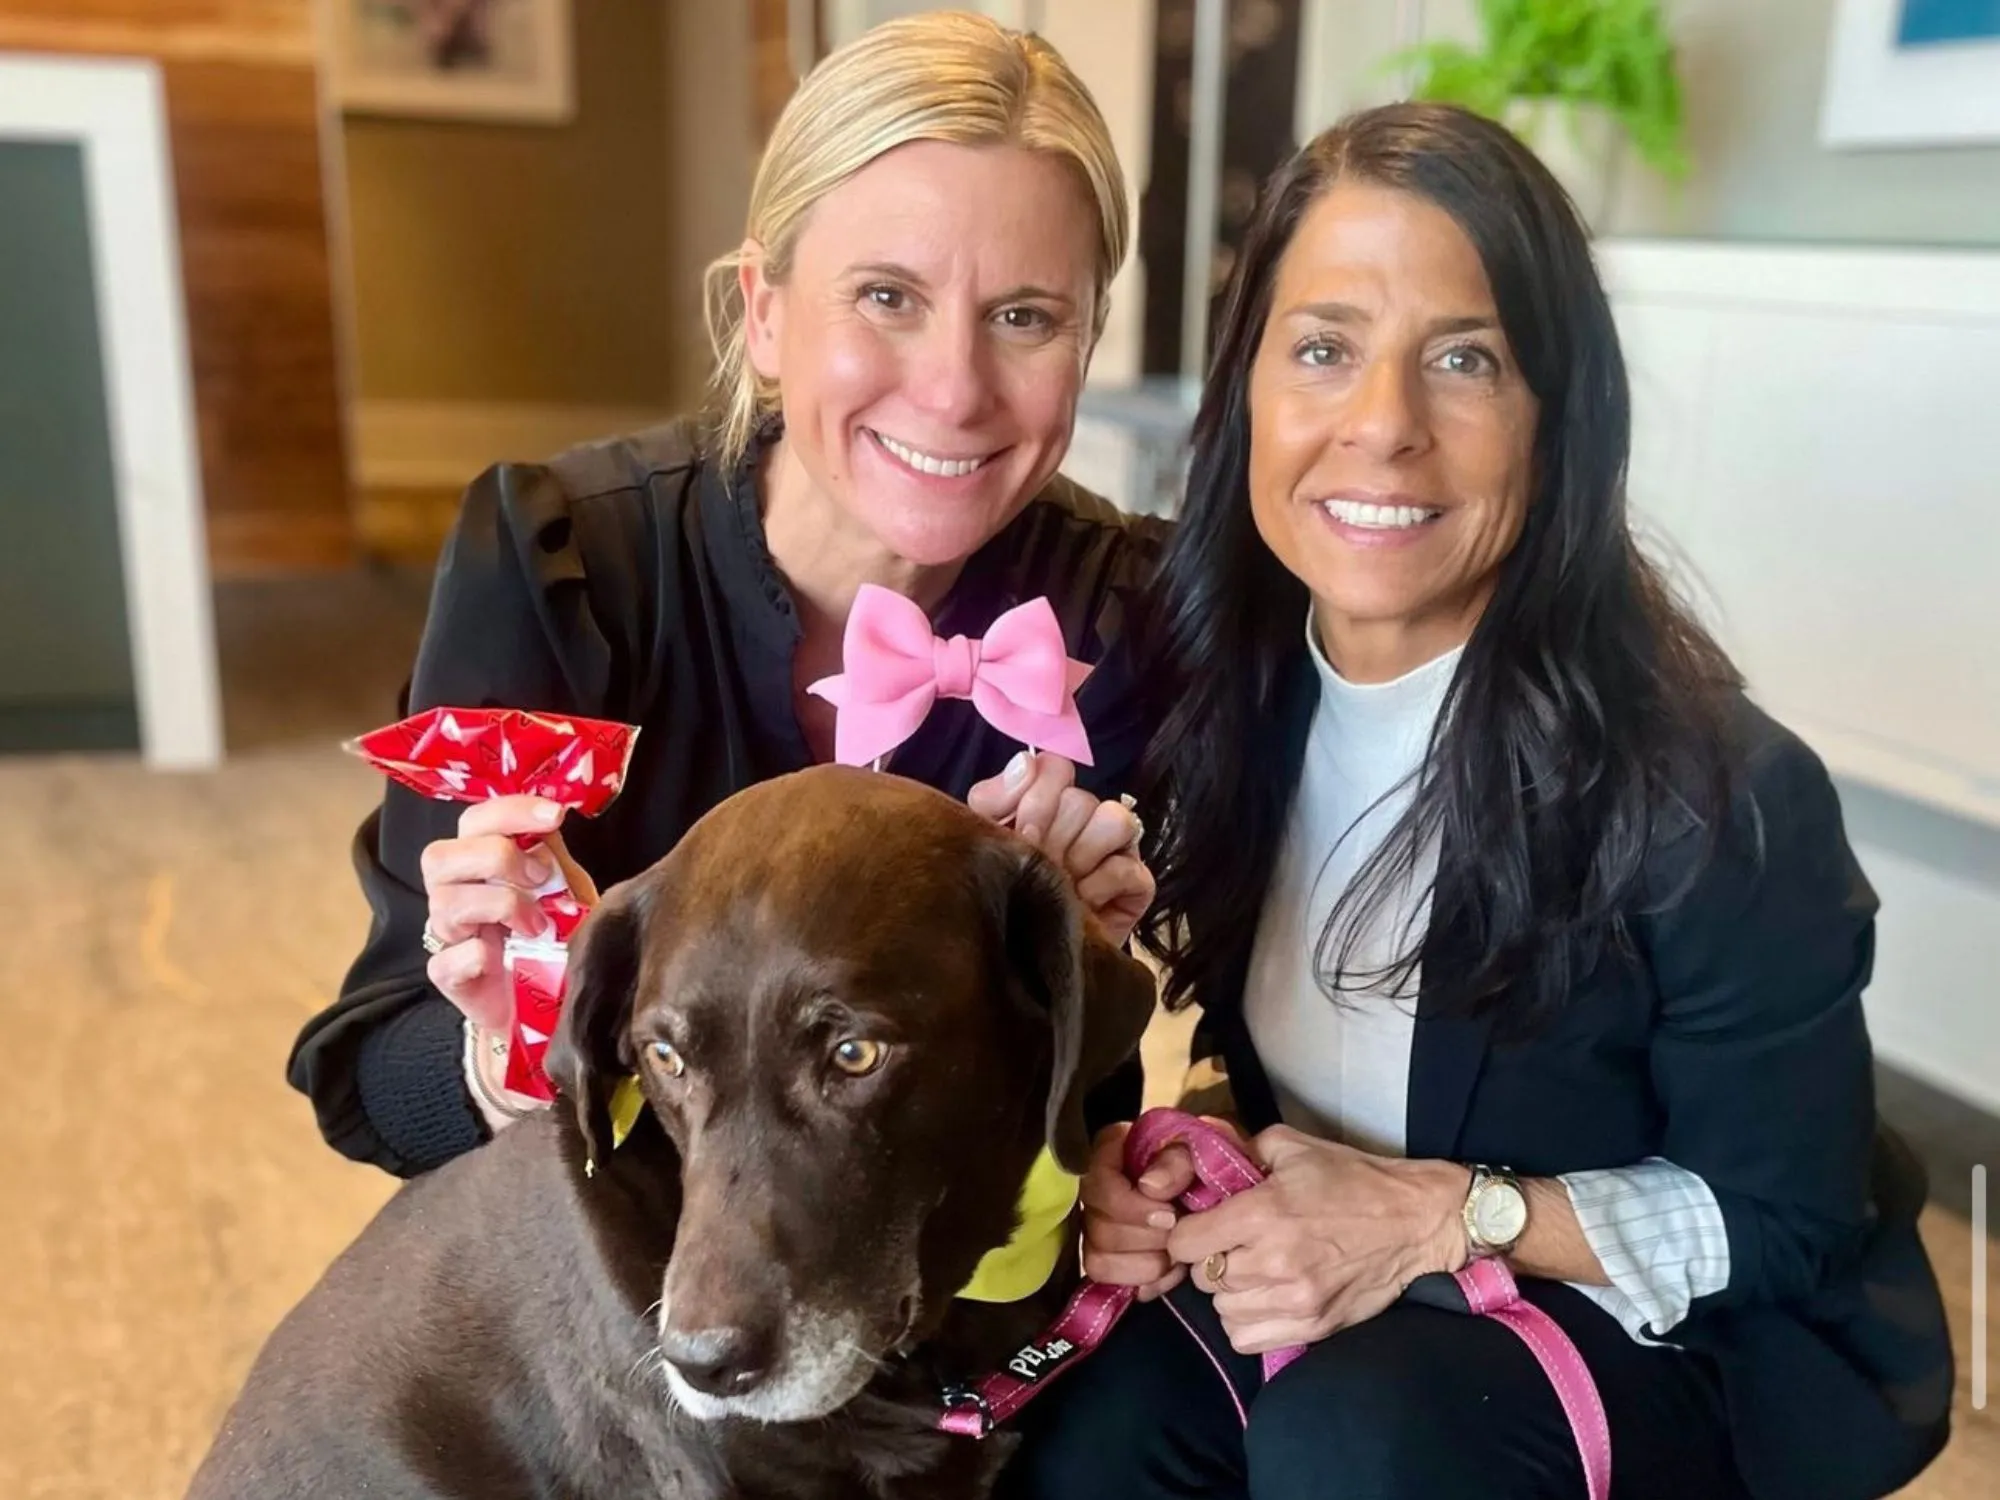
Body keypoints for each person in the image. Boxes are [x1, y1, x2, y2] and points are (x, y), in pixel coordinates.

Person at [1001, 104, 1953, 1500]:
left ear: (1555, 418)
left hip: (1669, 1331)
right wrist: (1134, 1161)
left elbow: (1787, 1219)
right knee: (1084, 1417)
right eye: (1323, 349)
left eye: (1465, 359)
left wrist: (1454, 1215)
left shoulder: (1716, 799)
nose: (1382, 426)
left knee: (1357, 1441)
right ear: (1247, 391)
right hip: (1359, 1293)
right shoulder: (1220, 700)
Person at [289, 11, 1163, 1178]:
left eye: (1024, 317)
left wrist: (1059, 966)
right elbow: (371, 1085)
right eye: (886, 297)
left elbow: (1086, 1127)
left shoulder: (1110, 610)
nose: (955, 389)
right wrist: (511, 1049)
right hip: (612, 1265)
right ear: (763, 312)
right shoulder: (566, 566)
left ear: (1086, 336)